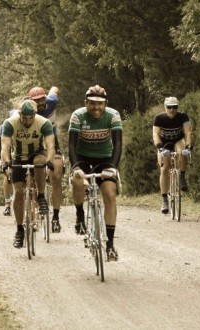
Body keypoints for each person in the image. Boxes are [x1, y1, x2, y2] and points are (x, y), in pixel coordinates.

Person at [68, 85, 122, 262]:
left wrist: (112, 167)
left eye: (99, 104)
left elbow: (118, 143)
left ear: (106, 104)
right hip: (82, 158)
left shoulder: (113, 115)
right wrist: (76, 168)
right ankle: (80, 215)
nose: (96, 108)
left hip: (104, 160)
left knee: (109, 194)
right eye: (92, 104)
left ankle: (110, 245)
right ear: (86, 103)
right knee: (78, 182)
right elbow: (72, 145)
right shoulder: (77, 116)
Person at [0, 99, 55, 248]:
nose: (28, 121)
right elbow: (5, 147)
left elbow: (50, 146)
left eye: (31, 117)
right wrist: (5, 163)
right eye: (24, 117)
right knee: (17, 193)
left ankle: (41, 196)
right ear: (20, 114)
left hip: (37, 153)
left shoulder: (44, 123)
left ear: (35, 114)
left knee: (39, 163)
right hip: (18, 157)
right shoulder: (10, 123)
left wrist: (49, 161)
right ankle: (19, 230)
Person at [28, 86, 64, 233]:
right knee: (30, 179)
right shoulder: (27, 109)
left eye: (42, 99)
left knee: (56, 176)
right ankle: (32, 215)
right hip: (33, 144)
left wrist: (53, 89)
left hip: (51, 143)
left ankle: (55, 217)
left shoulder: (52, 101)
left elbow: (55, 90)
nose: (41, 103)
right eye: (36, 101)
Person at [152, 96, 193, 214]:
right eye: (169, 107)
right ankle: (164, 200)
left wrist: (189, 146)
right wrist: (159, 147)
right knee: (164, 168)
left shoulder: (182, 116)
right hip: (164, 144)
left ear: (177, 107)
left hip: (178, 141)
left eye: (174, 107)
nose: (172, 110)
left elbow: (188, 132)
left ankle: (182, 176)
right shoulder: (159, 118)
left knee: (182, 151)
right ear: (165, 108)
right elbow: (155, 134)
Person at [0, 109, 19, 216]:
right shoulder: (4, 126)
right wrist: (2, 161)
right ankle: (7, 203)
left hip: (21, 151)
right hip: (8, 152)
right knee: (8, 176)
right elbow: (0, 146)